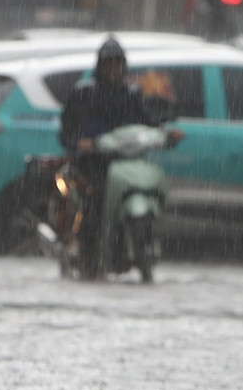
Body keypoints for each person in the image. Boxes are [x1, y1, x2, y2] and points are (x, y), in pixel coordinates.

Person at [59, 37, 172, 274]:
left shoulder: (131, 93)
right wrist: (83, 144)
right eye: (109, 64)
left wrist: (166, 134)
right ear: (100, 65)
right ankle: (89, 252)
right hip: (93, 163)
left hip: (126, 162)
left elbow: (148, 121)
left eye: (117, 64)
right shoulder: (85, 93)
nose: (113, 69)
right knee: (95, 200)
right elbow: (68, 131)